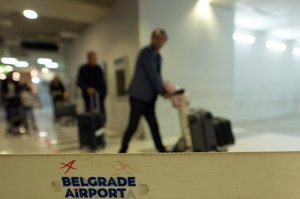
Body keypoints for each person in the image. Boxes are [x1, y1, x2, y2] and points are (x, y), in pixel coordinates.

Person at [119, 28, 170, 153]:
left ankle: (162, 150)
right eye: (157, 38)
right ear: (152, 39)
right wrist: (163, 92)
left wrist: (164, 89)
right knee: (133, 125)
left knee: (154, 125)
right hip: (138, 96)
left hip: (149, 98)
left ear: (164, 42)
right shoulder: (146, 53)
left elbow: (158, 76)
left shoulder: (159, 57)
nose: (159, 42)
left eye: (162, 39)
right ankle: (122, 151)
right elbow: (151, 74)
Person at [77, 51, 107, 123]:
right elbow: (79, 82)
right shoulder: (83, 69)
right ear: (88, 59)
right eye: (93, 58)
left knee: (101, 115)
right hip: (88, 97)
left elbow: (102, 82)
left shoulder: (98, 69)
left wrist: (101, 92)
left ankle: (100, 129)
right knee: (90, 115)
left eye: (95, 58)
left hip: (98, 96)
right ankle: (90, 131)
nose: (94, 60)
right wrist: (87, 88)